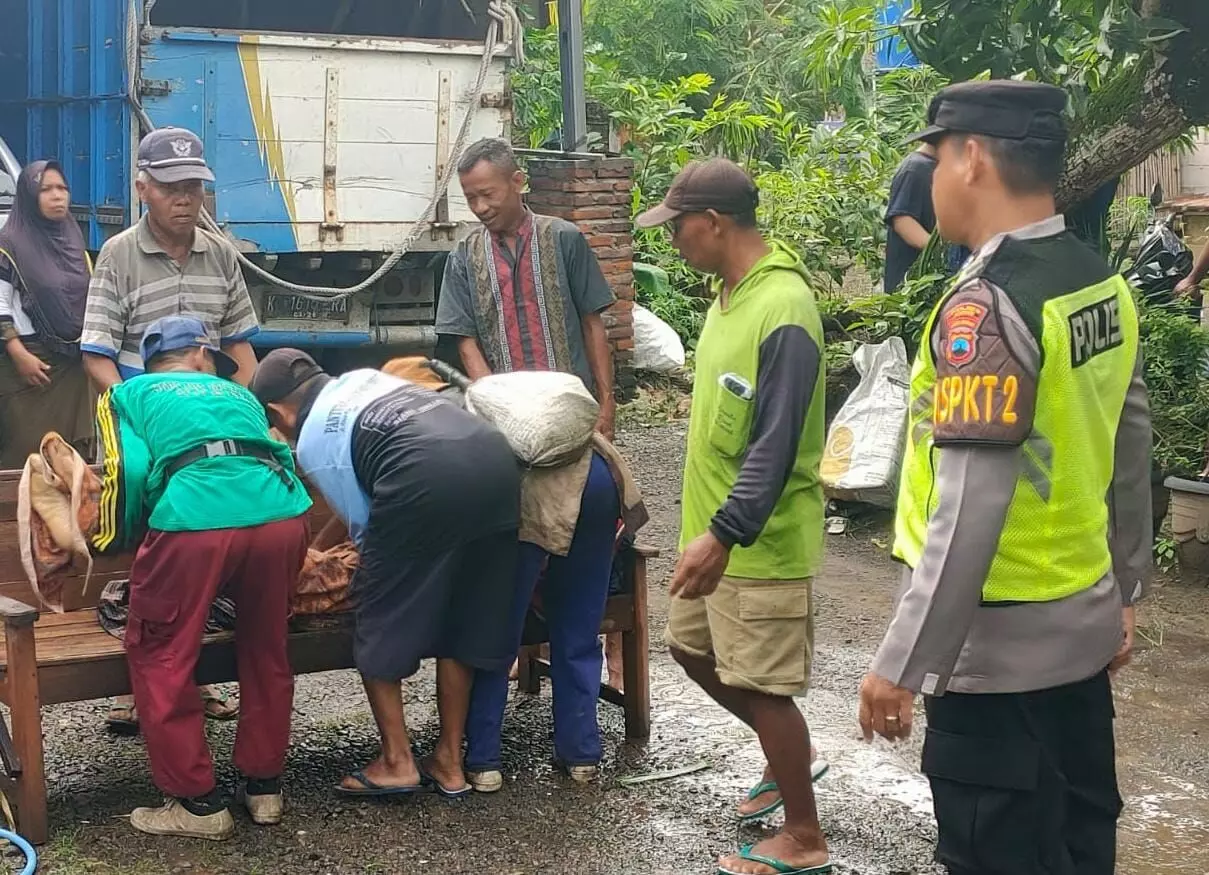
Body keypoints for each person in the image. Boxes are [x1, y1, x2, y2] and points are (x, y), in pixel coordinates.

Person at [858, 81, 1152, 875]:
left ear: (973, 158)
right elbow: (1129, 449)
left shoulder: (984, 308)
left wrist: (900, 661)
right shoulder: (1097, 280)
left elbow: (968, 507)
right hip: (1080, 644)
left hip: (992, 664)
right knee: (1077, 843)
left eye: (936, 159)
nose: (931, 180)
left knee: (1000, 853)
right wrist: (1122, 591)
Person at [637, 158, 831, 875]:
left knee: (762, 686)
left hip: (756, 542)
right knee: (689, 649)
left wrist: (723, 534)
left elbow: (776, 442)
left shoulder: (782, 307)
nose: (673, 240)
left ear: (713, 224)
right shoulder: (728, 296)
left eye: (679, 226)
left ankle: (804, 836)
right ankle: (791, 759)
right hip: (714, 535)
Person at [251, 349, 524, 799]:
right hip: (494, 464)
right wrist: (315, 549)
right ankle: (450, 762)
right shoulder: (363, 380)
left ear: (278, 412)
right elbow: (362, 484)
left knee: (375, 610)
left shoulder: (314, 439)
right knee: (463, 617)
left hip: (421, 474)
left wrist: (325, 570)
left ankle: (397, 761)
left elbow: (368, 532)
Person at [102, 315, 311, 839]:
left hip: (195, 520)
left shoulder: (127, 394)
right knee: (266, 645)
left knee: (160, 650)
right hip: (282, 514)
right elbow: (280, 450)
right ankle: (264, 788)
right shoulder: (236, 393)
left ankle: (197, 805)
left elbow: (126, 472)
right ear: (199, 353)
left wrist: (127, 538)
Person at [435, 136, 628, 690]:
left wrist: (605, 404)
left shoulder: (563, 239)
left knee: (593, 527)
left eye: (488, 194)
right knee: (515, 544)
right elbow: (465, 338)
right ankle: (522, 651)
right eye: (470, 198)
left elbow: (594, 322)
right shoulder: (463, 258)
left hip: (572, 417)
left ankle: (598, 656)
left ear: (518, 182)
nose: (480, 207)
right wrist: (497, 402)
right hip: (509, 424)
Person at [82, 127, 258, 730]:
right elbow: (98, 354)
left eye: (194, 187)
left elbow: (239, 345)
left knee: (211, 558)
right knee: (148, 561)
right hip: (144, 429)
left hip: (211, 434)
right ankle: (144, 687)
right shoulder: (118, 255)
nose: (185, 199)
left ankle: (199, 681)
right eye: (171, 187)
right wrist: (142, 414)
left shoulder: (223, 255)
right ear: (142, 189)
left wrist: (247, 416)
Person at [0, 160, 96, 467]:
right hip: (30, 368)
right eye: (46, 189)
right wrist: (18, 354)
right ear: (29, 196)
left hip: (73, 367)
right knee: (27, 458)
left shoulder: (73, 241)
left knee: (72, 460)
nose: (58, 196)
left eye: (62, 188)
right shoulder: (10, 243)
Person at [884, 143, 939, 292]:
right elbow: (902, 220)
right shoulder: (915, 169)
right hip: (910, 286)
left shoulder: (933, 166)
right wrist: (939, 251)